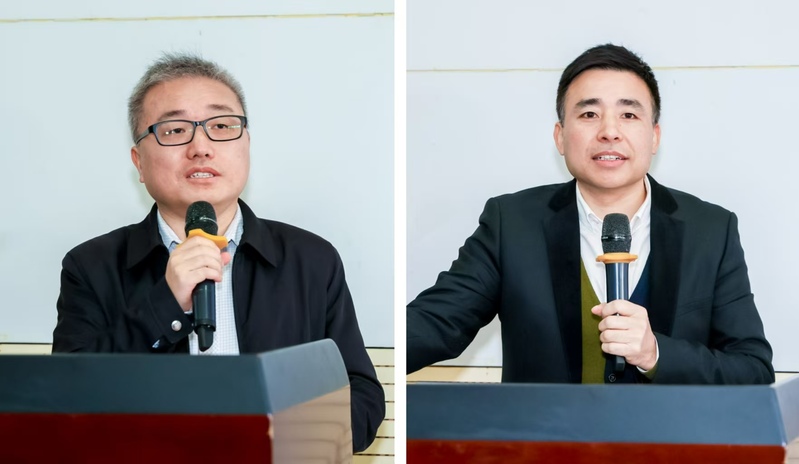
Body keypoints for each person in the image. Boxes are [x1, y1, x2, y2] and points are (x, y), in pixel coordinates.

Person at [52, 53, 385, 452]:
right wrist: (166, 304)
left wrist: (280, 441)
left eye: (222, 126)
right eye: (175, 130)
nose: (201, 147)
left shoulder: (311, 259)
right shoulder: (91, 267)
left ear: (246, 145)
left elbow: (362, 397)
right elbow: (66, 404)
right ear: (139, 162)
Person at [406, 44, 774, 385]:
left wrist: (655, 353)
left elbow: (752, 369)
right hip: (544, 435)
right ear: (560, 137)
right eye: (589, 114)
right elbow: (437, 322)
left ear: (654, 136)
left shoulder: (711, 230)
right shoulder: (511, 223)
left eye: (628, 114)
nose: (609, 132)